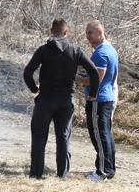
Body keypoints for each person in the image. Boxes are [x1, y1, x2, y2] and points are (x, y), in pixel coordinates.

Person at [23, 18, 99, 179]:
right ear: (66, 32)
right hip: (66, 100)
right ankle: (62, 174)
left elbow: (27, 72)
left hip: (45, 99)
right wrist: (93, 93)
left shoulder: (43, 50)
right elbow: (93, 71)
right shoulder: (75, 50)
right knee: (64, 136)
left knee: (39, 135)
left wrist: (34, 89)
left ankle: (36, 173)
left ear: (51, 31)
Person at [76, 20, 118, 181]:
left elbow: (96, 79)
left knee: (99, 136)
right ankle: (108, 168)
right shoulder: (110, 49)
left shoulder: (101, 53)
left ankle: (102, 173)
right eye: (86, 33)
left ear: (100, 33)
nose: (87, 36)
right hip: (106, 99)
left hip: (98, 100)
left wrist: (77, 78)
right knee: (105, 135)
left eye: (90, 33)